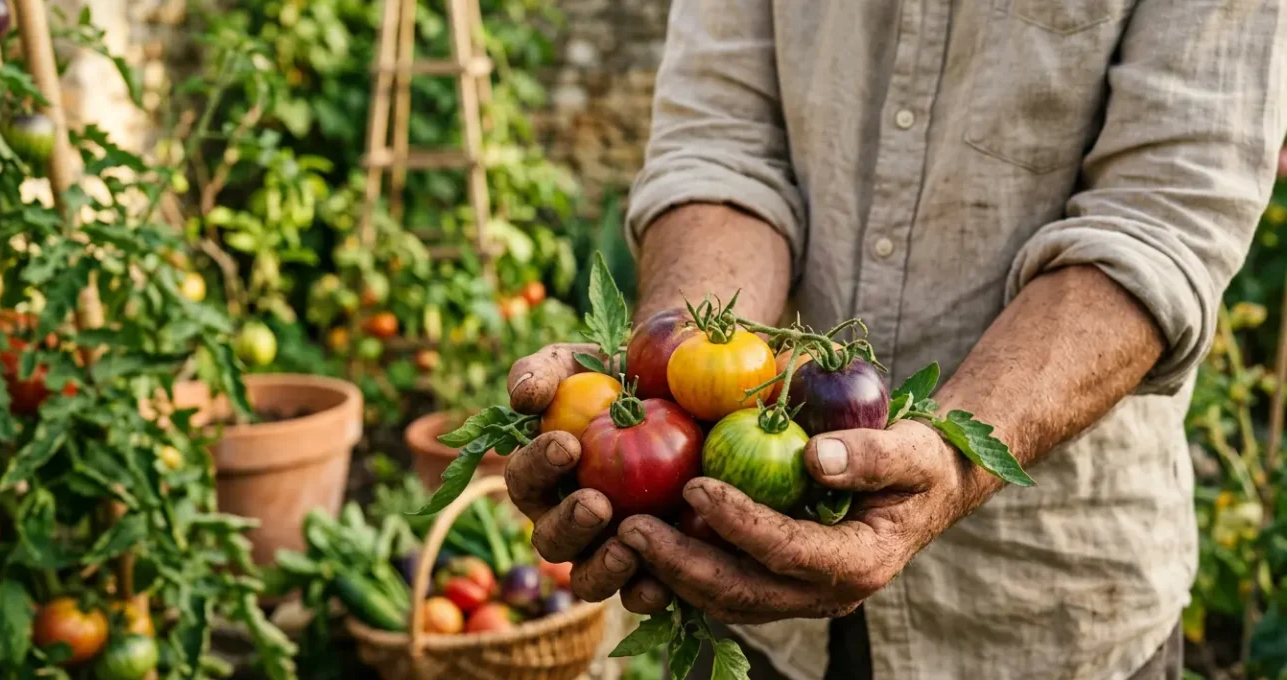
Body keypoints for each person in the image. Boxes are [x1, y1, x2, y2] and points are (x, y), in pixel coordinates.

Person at [502, 2, 1285, 679]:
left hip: (1048, 604)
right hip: (745, 609)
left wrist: (954, 457)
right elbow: (721, 137)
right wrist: (674, 368)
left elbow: (1165, 209)